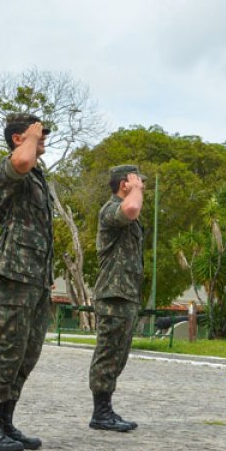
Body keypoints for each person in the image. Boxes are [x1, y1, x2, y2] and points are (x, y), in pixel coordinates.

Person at [0, 113, 53, 451]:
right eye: (37, 133)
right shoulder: (9, 167)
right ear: (17, 139)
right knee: (8, 351)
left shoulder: (37, 175)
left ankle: (6, 421)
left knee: (28, 352)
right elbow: (21, 160)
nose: (43, 138)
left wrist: (32, 138)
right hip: (14, 274)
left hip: (37, 276)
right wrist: (30, 140)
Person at [87, 165, 146, 432]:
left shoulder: (123, 212)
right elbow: (131, 209)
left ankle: (106, 409)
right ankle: (100, 412)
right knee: (108, 353)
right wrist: (136, 190)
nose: (142, 186)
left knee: (118, 355)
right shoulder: (111, 209)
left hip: (125, 293)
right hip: (113, 294)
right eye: (138, 181)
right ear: (125, 184)